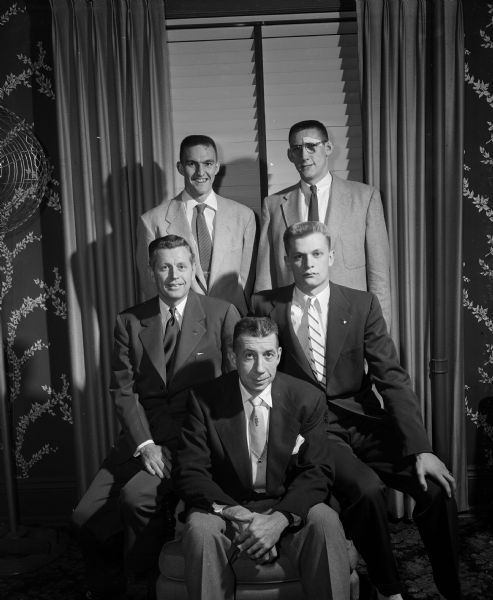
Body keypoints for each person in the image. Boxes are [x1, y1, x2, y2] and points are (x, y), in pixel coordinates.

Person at [251, 221, 462, 600]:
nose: (309, 263)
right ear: (287, 261)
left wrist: (422, 448)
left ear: (331, 256)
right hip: (315, 430)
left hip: (364, 420)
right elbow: (260, 376)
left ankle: (449, 588)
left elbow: (392, 378)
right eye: (299, 256)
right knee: (366, 490)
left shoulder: (362, 303)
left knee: (436, 488)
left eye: (317, 254)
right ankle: (389, 589)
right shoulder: (266, 306)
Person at [73, 235, 240, 600]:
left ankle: (143, 582)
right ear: (151, 272)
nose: (174, 275)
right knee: (85, 516)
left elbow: (233, 389)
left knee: (136, 499)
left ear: (193, 267)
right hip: (141, 438)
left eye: (181, 266)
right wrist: (145, 444)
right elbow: (123, 390)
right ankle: (108, 587)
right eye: (164, 267)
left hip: (194, 441)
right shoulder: (129, 321)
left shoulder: (221, 314)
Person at [173, 316, 351, 600]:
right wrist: (240, 516)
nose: (260, 368)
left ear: (278, 355)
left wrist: (279, 519)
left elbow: (317, 470)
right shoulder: (204, 399)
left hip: (286, 501)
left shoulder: (308, 398)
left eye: (268, 355)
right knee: (201, 530)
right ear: (233, 357)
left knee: (326, 521)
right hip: (227, 505)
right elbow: (190, 471)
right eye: (249, 356)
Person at [255, 119, 391, 328]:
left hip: (350, 320)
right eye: (297, 149)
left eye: (311, 146)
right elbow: (265, 277)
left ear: (328, 148)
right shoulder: (273, 205)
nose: (304, 155)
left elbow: (379, 277)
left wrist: (378, 334)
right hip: (294, 323)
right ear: (290, 155)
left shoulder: (364, 197)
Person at [136, 134, 258, 315]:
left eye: (208, 164)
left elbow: (247, 279)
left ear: (217, 167)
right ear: (180, 167)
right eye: (192, 164)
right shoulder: (152, 221)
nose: (201, 172)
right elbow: (150, 283)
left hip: (232, 320)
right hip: (181, 323)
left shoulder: (244, 216)